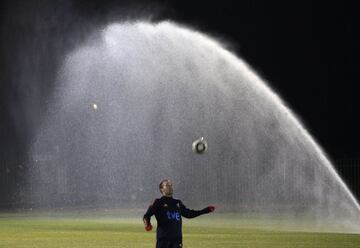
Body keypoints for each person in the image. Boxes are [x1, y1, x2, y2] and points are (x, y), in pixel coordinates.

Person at [143, 179, 215, 248]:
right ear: (161, 189)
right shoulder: (158, 202)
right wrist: (147, 224)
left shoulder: (177, 202)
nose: (170, 187)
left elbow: (189, 214)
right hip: (163, 240)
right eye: (167, 185)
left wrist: (205, 210)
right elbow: (146, 216)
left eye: (171, 185)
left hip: (177, 240)